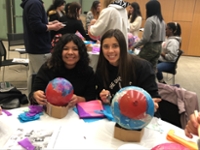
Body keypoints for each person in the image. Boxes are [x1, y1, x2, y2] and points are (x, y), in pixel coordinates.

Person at [95, 29, 161, 115]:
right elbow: (101, 95)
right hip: (117, 115)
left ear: (122, 47)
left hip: (141, 116)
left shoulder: (142, 67)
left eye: (115, 46)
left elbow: (154, 97)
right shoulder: (102, 69)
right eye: (106, 46)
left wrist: (152, 104)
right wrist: (105, 98)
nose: (110, 51)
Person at [29, 34, 96, 107]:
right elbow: (33, 95)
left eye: (75, 49)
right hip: (51, 113)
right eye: (65, 48)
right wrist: (36, 96)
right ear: (59, 51)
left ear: (81, 52)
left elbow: (91, 98)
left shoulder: (88, 72)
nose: (70, 52)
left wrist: (78, 99)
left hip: (77, 114)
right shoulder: (48, 68)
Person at [20, 0, 64, 95]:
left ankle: (31, 98)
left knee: (33, 75)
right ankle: (37, 99)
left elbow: (38, 23)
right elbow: (36, 26)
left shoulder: (31, 3)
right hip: (39, 47)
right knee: (42, 76)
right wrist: (53, 27)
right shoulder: (35, 3)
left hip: (34, 46)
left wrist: (50, 23)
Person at [132, 0, 165, 70]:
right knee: (152, 68)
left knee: (136, 63)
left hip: (151, 47)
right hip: (159, 47)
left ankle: (137, 80)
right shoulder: (162, 21)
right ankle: (151, 80)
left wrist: (134, 45)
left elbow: (145, 38)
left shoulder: (150, 20)